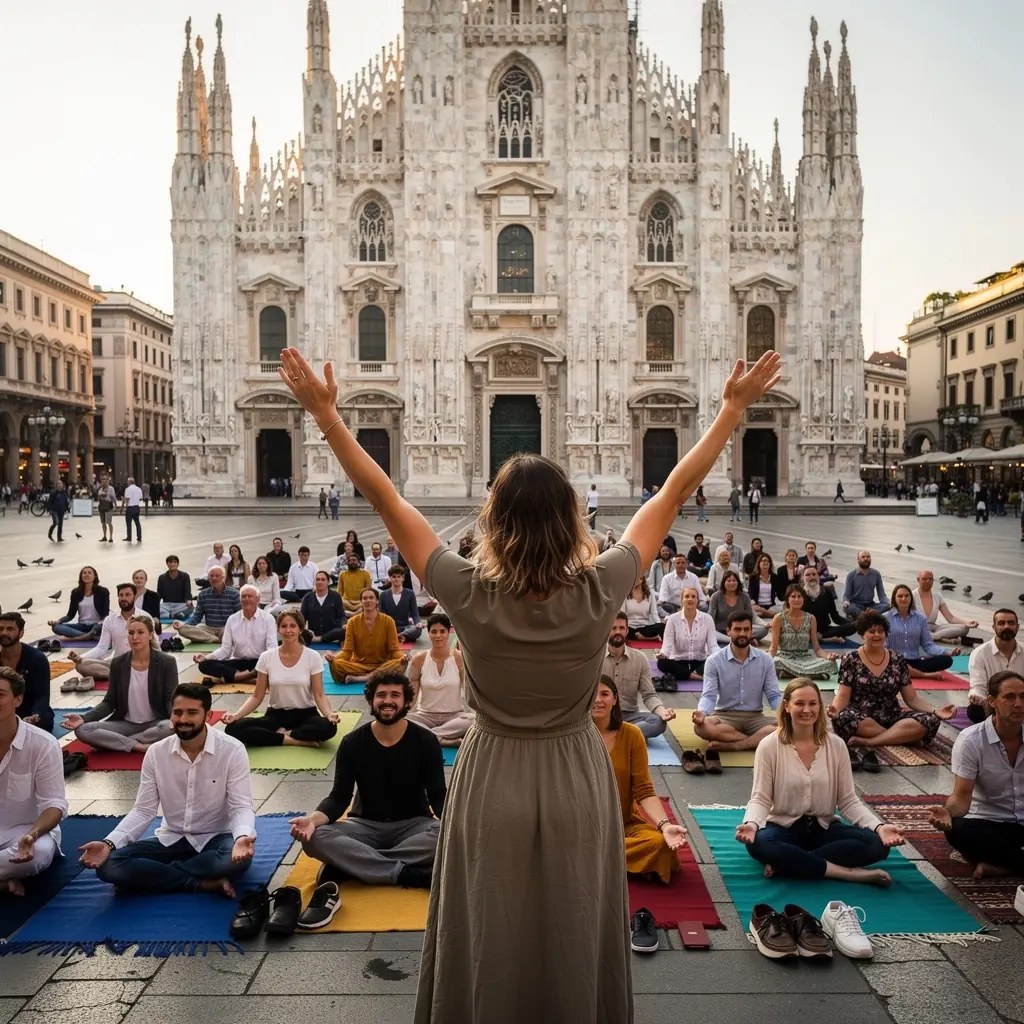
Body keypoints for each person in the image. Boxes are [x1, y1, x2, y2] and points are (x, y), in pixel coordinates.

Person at [277, 340, 780, 1020]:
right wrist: (729, 412)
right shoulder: (603, 586)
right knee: (573, 922)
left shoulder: (467, 590)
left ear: (495, 520)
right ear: (573, 518)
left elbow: (385, 496)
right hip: (575, 769)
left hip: (493, 772)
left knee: (489, 924)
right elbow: (673, 491)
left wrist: (327, 417)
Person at [79, 683, 256, 897]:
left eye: (192, 713)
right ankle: (201, 883)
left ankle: (151, 877)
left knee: (234, 860)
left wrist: (242, 837)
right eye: (178, 712)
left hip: (217, 838)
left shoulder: (232, 750)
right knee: (110, 865)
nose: (183, 720)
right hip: (172, 838)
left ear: (208, 715)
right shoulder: (156, 753)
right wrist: (109, 843)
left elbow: (240, 806)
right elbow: (143, 810)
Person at [736, 678, 901, 887]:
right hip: (783, 829)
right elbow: (760, 798)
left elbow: (848, 801)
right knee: (758, 843)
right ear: (786, 706)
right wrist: (751, 824)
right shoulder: (769, 746)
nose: (807, 710)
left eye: (813, 703)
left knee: (877, 845)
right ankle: (847, 873)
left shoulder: (836, 745)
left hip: (823, 828)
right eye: (799, 703)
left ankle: (790, 862)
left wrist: (879, 827)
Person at [289, 669, 444, 888]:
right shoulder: (353, 743)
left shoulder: (426, 741)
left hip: (414, 826)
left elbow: (438, 796)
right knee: (315, 837)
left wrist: (458, 824)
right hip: (364, 826)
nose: (387, 701)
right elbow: (339, 798)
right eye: (381, 695)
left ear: (407, 701)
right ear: (371, 701)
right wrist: (312, 821)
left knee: (447, 836)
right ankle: (405, 873)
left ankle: (352, 864)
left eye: (394, 695)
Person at [830, 610, 956, 770]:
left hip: (891, 715)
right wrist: (835, 709)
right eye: (872, 631)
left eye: (881, 631)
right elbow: (843, 695)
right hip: (861, 716)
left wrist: (936, 710)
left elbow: (912, 699)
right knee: (843, 718)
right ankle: (902, 736)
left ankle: (872, 741)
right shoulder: (851, 659)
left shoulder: (897, 659)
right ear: (863, 634)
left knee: (930, 720)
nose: (877, 635)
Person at [929, 670, 1024, 878]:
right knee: (958, 829)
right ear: (992, 701)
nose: (1018, 703)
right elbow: (962, 796)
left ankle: (1006, 866)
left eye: (1023, 696)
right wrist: (948, 812)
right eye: (1009, 697)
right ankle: (1014, 864)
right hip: (990, 824)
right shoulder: (971, 740)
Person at [591, 677, 686, 884]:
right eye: (593, 694)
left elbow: (644, 790)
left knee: (660, 843)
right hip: (580, 827)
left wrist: (665, 825)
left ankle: (595, 860)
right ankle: (620, 861)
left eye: (605, 694)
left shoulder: (632, 734)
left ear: (615, 699)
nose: (598, 700)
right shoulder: (571, 737)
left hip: (624, 824)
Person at [222, 610, 338, 747]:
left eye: (293, 626)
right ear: (278, 630)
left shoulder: (312, 657)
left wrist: (329, 714)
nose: (288, 630)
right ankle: (292, 739)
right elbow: (256, 696)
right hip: (276, 715)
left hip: (306, 714)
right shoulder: (266, 657)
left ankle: (282, 735)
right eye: (283, 626)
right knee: (233, 728)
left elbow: (319, 694)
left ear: (300, 629)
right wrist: (235, 716)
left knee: (329, 727)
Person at [62, 617, 178, 753]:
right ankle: (137, 745)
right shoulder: (118, 663)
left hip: (156, 723)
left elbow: (170, 698)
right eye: (131, 633)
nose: (135, 637)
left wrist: (175, 719)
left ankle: (116, 741)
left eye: (140, 632)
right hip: (125, 724)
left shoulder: (167, 662)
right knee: (83, 730)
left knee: (170, 728)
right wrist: (84, 718)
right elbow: (109, 702)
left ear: (151, 635)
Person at [0, 667, 67, 896]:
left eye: (0, 694)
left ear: (17, 699)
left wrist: (33, 834)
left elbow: (54, 804)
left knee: (36, 854)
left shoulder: (43, 744)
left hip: (26, 832)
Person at [693, 612, 781, 755]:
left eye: (746, 630)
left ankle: (736, 745)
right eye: (737, 629)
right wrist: (702, 713)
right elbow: (709, 696)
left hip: (755, 717)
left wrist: (786, 712)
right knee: (702, 727)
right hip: (725, 716)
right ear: (728, 631)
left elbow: (773, 695)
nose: (742, 633)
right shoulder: (714, 661)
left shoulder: (765, 660)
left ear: (751, 631)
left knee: (790, 727)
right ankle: (757, 742)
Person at [603, 613, 675, 739]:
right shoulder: (595, 659)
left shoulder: (640, 659)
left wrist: (663, 712)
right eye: (613, 628)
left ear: (627, 631)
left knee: (659, 723)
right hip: (601, 715)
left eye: (621, 628)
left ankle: (616, 735)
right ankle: (629, 736)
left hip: (629, 717)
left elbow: (649, 695)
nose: (617, 632)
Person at [407, 614, 475, 745]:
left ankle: (429, 737)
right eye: (434, 631)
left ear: (448, 633)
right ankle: (445, 740)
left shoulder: (459, 658)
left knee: (473, 720)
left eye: (442, 631)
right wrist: (402, 713)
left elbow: (468, 690)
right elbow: (412, 695)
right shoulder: (419, 660)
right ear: (428, 633)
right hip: (425, 716)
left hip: (454, 716)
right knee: (401, 720)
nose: (438, 636)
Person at [193, 585, 277, 685]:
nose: (246, 599)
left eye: (250, 596)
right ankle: (248, 678)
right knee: (204, 665)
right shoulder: (232, 619)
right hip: (237, 662)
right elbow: (225, 649)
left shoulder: (268, 618)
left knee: (274, 666)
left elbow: (271, 648)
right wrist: (206, 657)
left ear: (258, 600)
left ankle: (233, 678)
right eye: (243, 596)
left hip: (259, 663)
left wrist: (265, 665)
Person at [330, 587, 408, 683]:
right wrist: (333, 659)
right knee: (337, 664)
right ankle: (377, 676)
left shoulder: (388, 621)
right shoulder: (352, 622)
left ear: (377, 601)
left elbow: (394, 650)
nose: (368, 601)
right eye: (365, 598)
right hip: (358, 665)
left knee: (400, 663)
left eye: (371, 598)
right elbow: (347, 651)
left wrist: (403, 657)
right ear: (361, 602)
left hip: (382, 664)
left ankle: (365, 678)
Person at [67, 582, 140, 685]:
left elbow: (154, 647)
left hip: (141, 663)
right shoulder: (110, 620)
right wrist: (80, 657)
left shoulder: (145, 617)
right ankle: (120, 674)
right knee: (81, 665)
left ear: (134, 596)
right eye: (121, 595)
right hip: (117, 663)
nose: (124, 598)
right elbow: (101, 648)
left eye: (128, 595)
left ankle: (127, 674)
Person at [885, 584, 956, 680]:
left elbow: (928, 645)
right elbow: (883, 646)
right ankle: (921, 674)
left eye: (906, 596)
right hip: (893, 661)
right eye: (900, 596)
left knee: (947, 660)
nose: (903, 598)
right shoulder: (885, 618)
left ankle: (909, 672)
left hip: (915, 661)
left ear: (911, 598)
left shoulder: (920, 618)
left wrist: (947, 652)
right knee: (891, 665)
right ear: (894, 598)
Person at [769, 585, 838, 680]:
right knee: (775, 662)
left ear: (803, 599)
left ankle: (791, 674)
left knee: (830, 664)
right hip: (785, 659)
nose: (797, 599)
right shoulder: (779, 618)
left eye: (799, 596)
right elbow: (773, 648)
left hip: (806, 659)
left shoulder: (811, 618)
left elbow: (817, 649)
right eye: (793, 596)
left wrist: (828, 656)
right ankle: (812, 675)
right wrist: (767, 660)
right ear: (787, 599)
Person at [967, 609, 1024, 724]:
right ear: (994, 627)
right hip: (993, 706)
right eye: (1001, 623)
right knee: (974, 710)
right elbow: (978, 687)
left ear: (1017, 627)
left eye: (1011, 623)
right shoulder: (980, 654)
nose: (1006, 626)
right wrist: (976, 696)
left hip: (1021, 702)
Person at [0, 613, 53, 734]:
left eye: (10, 629)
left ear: (21, 633)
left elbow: (42, 696)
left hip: (30, 713)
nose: (4, 633)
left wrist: (36, 715)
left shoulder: (37, 659)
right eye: (0, 629)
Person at [656, 587, 717, 682]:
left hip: (700, 662)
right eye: (687, 596)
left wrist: (720, 656)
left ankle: (682, 674)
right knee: (662, 663)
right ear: (682, 601)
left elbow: (713, 645)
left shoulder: (707, 619)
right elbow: (667, 645)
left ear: (697, 601)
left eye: (693, 596)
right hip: (679, 661)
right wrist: (663, 654)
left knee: (716, 662)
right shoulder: (672, 619)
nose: (690, 599)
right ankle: (699, 677)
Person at [172, 566, 241, 643]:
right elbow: (196, 617)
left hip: (226, 628)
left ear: (223, 578)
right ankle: (216, 640)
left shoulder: (234, 593)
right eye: (211, 576)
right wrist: (184, 624)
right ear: (208, 578)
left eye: (217, 576)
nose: (214, 578)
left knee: (233, 630)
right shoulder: (203, 594)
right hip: (208, 628)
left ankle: (212, 639)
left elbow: (240, 615)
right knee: (183, 629)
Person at [913, 570, 978, 643]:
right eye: (924, 579)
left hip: (935, 628)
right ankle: (938, 637)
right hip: (918, 629)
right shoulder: (912, 596)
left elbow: (950, 618)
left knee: (964, 628)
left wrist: (967, 622)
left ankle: (935, 637)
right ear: (918, 580)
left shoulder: (937, 596)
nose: (928, 581)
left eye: (930, 579)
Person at [708, 570, 768, 645]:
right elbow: (710, 618)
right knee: (709, 632)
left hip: (740, 629)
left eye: (734, 580)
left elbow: (751, 617)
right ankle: (735, 640)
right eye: (728, 581)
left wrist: (765, 624)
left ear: (738, 582)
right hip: (721, 630)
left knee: (763, 630)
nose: (731, 583)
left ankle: (741, 638)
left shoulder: (744, 597)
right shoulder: (716, 596)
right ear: (724, 583)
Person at [48, 566, 108, 639]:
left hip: (96, 626)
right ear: (81, 576)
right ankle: (89, 637)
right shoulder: (76, 592)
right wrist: (57, 621)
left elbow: (105, 616)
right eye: (84, 573)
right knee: (56, 627)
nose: (86, 575)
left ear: (95, 576)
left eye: (89, 573)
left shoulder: (103, 592)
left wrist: (98, 626)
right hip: (81, 626)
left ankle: (80, 637)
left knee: (100, 628)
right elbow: (70, 615)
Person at [800, 565, 857, 640]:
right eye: (808, 575)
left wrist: (852, 624)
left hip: (825, 630)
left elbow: (836, 618)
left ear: (818, 576)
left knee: (852, 627)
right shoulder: (798, 594)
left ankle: (820, 638)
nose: (811, 577)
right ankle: (820, 638)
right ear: (802, 578)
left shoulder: (826, 592)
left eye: (814, 574)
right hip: (805, 632)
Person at [379, 564, 423, 642]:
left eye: (399, 576)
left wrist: (418, 622)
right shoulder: (383, 595)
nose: (396, 579)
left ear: (403, 578)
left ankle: (397, 636)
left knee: (417, 629)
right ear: (390, 578)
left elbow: (414, 613)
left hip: (405, 627)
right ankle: (399, 637)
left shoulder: (410, 593)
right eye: (394, 576)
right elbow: (380, 614)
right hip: (388, 627)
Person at [300, 571, 347, 643]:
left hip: (332, 633)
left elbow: (342, 616)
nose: (320, 582)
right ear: (315, 582)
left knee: (343, 631)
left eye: (323, 579)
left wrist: (343, 625)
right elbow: (302, 617)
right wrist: (302, 629)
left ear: (328, 582)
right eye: (318, 579)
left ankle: (319, 639)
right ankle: (313, 638)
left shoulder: (335, 596)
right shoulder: (307, 597)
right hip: (313, 633)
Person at [843, 551, 888, 617]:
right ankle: (869, 615)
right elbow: (846, 595)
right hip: (856, 605)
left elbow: (882, 595)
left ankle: (864, 616)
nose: (866, 558)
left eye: (868, 557)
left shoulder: (876, 574)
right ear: (858, 560)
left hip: (871, 605)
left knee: (888, 606)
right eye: (863, 557)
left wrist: (888, 602)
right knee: (847, 608)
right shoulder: (851, 575)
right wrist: (846, 601)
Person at [157, 555, 194, 621]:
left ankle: (169, 615)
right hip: (166, 605)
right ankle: (173, 615)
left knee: (190, 608)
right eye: (170, 562)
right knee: (154, 609)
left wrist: (189, 600)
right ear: (167, 564)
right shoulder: (162, 577)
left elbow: (187, 590)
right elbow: (159, 593)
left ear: (178, 564)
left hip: (180, 605)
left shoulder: (184, 576)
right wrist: (155, 604)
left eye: (174, 562)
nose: (172, 564)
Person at [748, 553, 784, 619]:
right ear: (759, 563)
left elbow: (780, 595)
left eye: (767, 561)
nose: (765, 562)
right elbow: (750, 592)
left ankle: (762, 614)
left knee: (782, 609)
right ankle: (768, 613)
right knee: (751, 606)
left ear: (770, 564)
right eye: (763, 561)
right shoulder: (753, 577)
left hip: (771, 606)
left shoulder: (775, 577)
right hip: (757, 605)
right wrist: (752, 599)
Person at [96, 475, 117, 543]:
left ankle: (111, 537)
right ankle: (104, 536)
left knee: (109, 522)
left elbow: (113, 497)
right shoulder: (100, 488)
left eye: (105, 480)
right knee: (103, 523)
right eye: (102, 480)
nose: (103, 481)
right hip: (102, 506)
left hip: (108, 506)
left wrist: (115, 505)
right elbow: (98, 498)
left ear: (108, 481)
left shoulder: (111, 488)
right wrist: (100, 495)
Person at [122, 476, 143, 542]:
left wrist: (125, 506)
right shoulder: (139, 489)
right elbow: (140, 498)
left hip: (130, 508)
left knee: (128, 523)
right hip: (136, 507)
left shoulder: (128, 489)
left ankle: (129, 537)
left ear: (129, 482)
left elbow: (127, 499)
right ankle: (139, 537)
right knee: (137, 523)